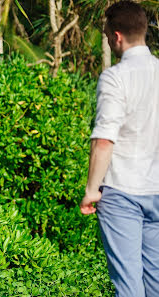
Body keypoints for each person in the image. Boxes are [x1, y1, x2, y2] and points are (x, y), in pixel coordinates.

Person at [79, 1, 159, 296]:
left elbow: (104, 139)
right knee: (155, 283)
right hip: (157, 190)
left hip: (122, 192)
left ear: (116, 37)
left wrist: (91, 190)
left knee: (128, 287)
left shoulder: (115, 77)